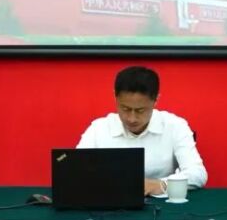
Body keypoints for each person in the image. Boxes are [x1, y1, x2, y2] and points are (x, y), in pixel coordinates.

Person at [77, 65, 207, 195]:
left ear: (156, 100)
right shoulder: (98, 129)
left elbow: (198, 173)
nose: (132, 118)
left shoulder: (175, 126)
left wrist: (162, 184)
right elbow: (76, 170)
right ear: (115, 98)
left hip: (160, 203)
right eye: (125, 109)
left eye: (140, 110)